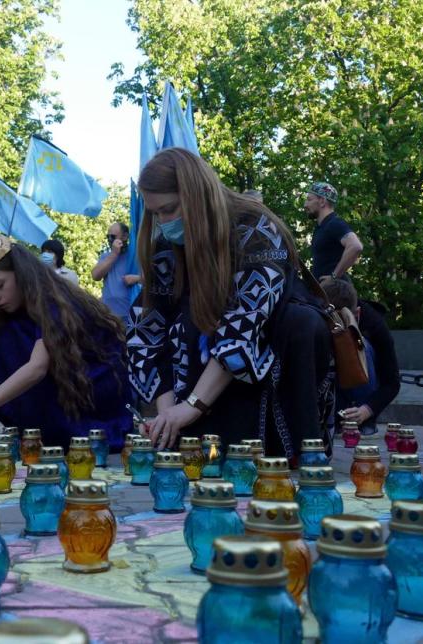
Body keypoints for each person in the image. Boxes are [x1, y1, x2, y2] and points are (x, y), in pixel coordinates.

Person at [129, 148, 334, 459]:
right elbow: (147, 328)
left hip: (271, 354)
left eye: (169, 209)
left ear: (195, 196)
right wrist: (168, 412)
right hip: (202, 375)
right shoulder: (168, 245)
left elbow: (241, 330)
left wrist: (192, 407)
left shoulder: (257, 230)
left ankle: (295, 451)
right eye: (155, 213)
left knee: (299, 323)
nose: (163, 221)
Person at [0, 234, 133, 450]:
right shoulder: (13, 313)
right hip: (61, 395)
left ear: (21, 275)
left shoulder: (54, 301)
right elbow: (5, 354)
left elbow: (37, 367)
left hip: (93, 402)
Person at [322, 279, 400, 435]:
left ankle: (361, 420)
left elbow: (391, 383)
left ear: (356, 314)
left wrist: (367, 410)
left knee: (360, 344)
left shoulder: (375, 327)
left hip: (362, 397)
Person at [304, 182, 363, 283]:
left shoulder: (334, 223)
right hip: (323, 293)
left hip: (334, 294)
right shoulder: (321, 227)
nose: (305, 204)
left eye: (309, 199)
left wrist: (334, 277)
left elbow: (356, 246)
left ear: (322, 201)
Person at [91, 222, 140, 319]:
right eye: (108, 237)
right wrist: (114, 254)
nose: (110, 240)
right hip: (108, 314)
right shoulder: (106, 256)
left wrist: (137, 279)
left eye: (113, 237)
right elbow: (95, 276)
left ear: (125, 236)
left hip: (130, 314)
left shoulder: (136, 256)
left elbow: (152, 279)